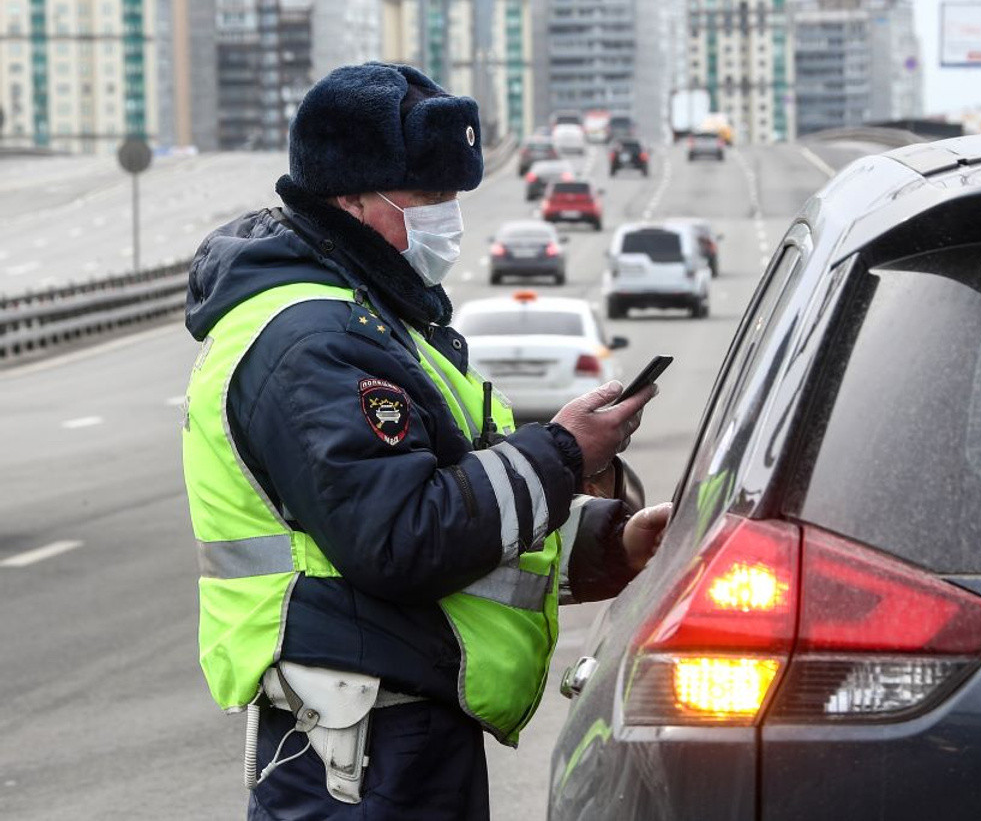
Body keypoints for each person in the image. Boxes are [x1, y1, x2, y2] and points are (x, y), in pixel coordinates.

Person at [180, 62, 670, 820]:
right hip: (359, 754)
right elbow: (402, 538)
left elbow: (469, 512)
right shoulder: (313, 339)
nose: (449, 219)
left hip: (400, 732)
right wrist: (566, 451)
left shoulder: (380, 322)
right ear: (350, 200)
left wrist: (614, 542)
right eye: (429, 199)